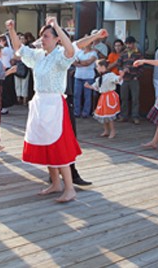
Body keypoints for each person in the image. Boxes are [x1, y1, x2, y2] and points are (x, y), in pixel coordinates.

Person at [8, 17, 105, 202]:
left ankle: (70, 188)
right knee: (45, 143)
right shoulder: (38, 55)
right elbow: (19, 49)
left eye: (46, 36)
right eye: (41, 36)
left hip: (54, 103)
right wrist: (12, 29)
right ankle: (55, 183)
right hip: (39, 102)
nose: (42, 39)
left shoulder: (61, 55)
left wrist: (57, 26)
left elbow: (72, 48)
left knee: (58, 145)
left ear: (56, 38)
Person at [85, 59, 123, 138]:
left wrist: (121, 76)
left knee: (109, 115)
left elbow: (117, 80)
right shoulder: (99, 78)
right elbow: (96, 87)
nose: (96, 68)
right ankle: (106, 130)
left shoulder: (110, 75)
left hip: (109, 97)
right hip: (103, 97)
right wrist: (89, 86)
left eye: (97, 66)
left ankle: (112, 131)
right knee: (103, 114)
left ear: (102, 67)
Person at [112, 36, 143, 124]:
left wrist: (137, 75)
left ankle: (135, 116)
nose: (129, 45)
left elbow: (141, 67)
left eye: (130, 44)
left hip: (134, 78)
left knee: (135, 98)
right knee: (124, 98)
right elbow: (118, 65)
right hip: (124, 79)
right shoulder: (123, 54)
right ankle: (124, 115)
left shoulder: (138, 54)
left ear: (134, 44)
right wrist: (121, 70)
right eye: (127, 44)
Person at [72, 38, 98, 118]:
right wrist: (82, 63)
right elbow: (73, 61)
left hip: (89, 77)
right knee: (76, 95)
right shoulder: (79, 52)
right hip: (78, 76)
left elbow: (88, 62)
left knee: (87, 96)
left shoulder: (94, 53)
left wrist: (79, 62)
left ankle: (86, 113)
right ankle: (77, 112)